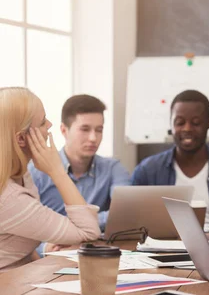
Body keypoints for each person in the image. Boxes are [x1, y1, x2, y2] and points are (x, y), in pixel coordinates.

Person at [0, 87, 100, 271]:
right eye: (42, 122)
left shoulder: (21, 174)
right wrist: (57, 171)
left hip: (21, 281)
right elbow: (89, 233)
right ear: (22, 138)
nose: (50, 125)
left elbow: (25, 251)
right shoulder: (8, 198)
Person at [131, 90, 209, 225]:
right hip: (164, 245)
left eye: (196, 123)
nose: (187, 128)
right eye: (180, 122)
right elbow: (134, 222)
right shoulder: (147, 170)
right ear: (171, 123)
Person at [29, 95, 130, 247]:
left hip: (95, 252)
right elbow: (26, 228)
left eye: (99, 130)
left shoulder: (113, 168)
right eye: (85, 129)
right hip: (53, 254)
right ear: (64, 130)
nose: (93, 138)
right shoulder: (36, 171)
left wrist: (75, 227)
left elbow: (126, 213)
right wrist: (45, 247)